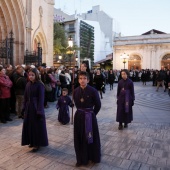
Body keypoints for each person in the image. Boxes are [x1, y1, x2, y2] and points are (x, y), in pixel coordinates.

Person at [73, 71, 101, 167]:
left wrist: (92, 114)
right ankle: (80, 158)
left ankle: (92, 156)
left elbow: (98, 105)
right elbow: (76, 103)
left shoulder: (93, 91)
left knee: (90, 137)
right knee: (79, 137)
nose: (82, 80)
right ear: (78, 80)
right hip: (79, 117)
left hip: (89, 117)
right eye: (80, 78)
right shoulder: (75, 91)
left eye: (84, 78)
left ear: (88, 80)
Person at [21, 68, 48, 152]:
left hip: (36, 108)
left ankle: (37, 143)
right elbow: (25, 97)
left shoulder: (40, 85)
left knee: (36, 126)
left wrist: (39, 111)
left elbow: (41, 99)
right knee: (29, 125)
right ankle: (31, 141)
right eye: (29, 75)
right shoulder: (28, 84)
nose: (31, 77)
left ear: (36, 75)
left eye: (32, 75)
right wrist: (23, 107)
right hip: (29, 107)